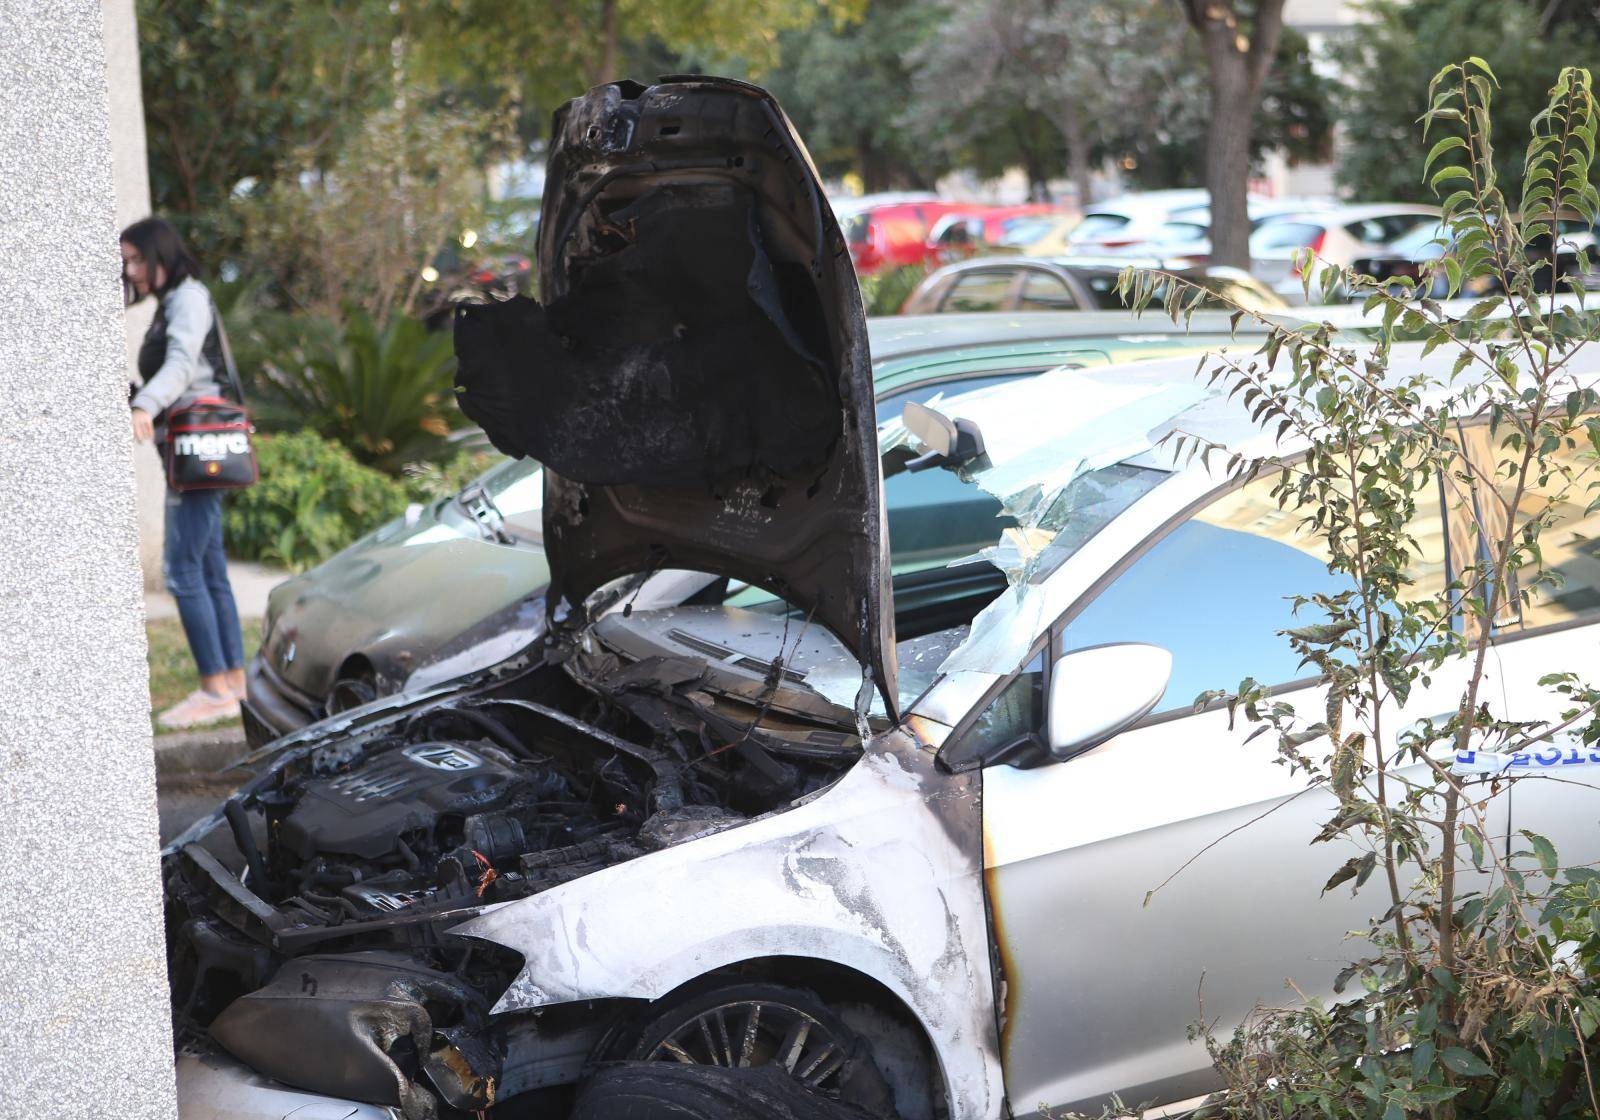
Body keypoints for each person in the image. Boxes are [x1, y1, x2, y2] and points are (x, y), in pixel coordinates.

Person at [123, 217, 246, 729]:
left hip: (197, 446)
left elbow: (180, 363)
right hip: (196, 446)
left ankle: (213, 688)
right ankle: (235, 682)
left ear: (159, 255)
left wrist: (144, 405)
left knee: (182, 569)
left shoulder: (187, 298)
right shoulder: (170, 299)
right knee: (211, 566)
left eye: (133, 259)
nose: (128, 269)